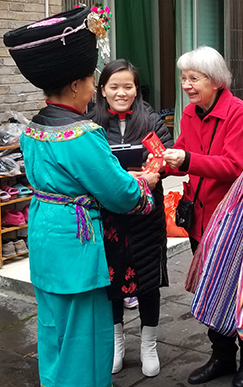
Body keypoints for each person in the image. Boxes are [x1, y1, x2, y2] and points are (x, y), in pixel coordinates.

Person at [3, 6, 160, 387]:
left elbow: (74, 180)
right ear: (75, 85)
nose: (94, 88)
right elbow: (119, 193)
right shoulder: (82, 134)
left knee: (53, 329)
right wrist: (145, 185)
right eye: (91, 80)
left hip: (45, 235)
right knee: (84, 338)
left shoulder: (32, 129)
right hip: (76, 243)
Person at [161, 46, 243, 387]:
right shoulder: (191, 113)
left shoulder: (239, 113)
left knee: (239, 290)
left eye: (194, 78)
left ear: (216, 81)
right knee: (209, 288)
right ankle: (222, 356)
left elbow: (234, 165)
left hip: (231, 218)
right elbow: (180, 153)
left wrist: (186, 160)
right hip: (198, 219)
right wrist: (156, 167)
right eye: (183, 78)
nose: (186, 85)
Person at [87, 59, 174, 377]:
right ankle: (116, 343)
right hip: (109, 218)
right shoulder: (91, 124)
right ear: (103, 90)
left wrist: (155, 169)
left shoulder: (151, 119)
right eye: (114, 86)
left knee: (148, 281)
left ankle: (149, 345)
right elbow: (88, 167)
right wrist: (124, 180)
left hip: (146, 217)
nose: (121, 92)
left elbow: (167, 157)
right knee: (111, 281)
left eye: (128, 86)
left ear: (137, 89)